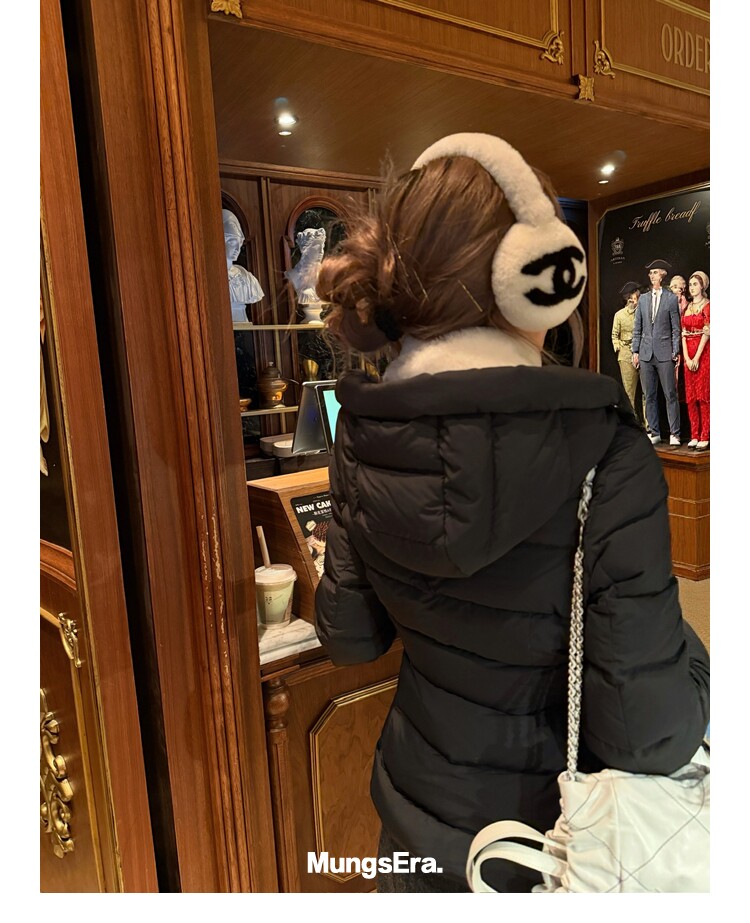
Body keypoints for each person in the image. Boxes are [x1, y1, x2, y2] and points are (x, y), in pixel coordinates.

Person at [313, 133, 710, 893]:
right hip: (549, 851)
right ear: (536, 277)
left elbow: (350, 636)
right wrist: (695, 661)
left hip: (412, 828)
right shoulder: (606, 451)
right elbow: (649, 733)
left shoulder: (359, 434)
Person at [632, 259, 682, 446]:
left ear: (663, 274)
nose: (652, 276)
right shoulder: (643, 299)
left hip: (665, 353)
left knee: (670, 394)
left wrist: (675, 350)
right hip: (646, 354)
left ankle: (675, 433)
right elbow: (637, 328)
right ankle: (654, 432)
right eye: (650, 273)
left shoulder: (671, 298)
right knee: (649, 395)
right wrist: (635, 350)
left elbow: (676, 328)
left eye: (655, 272)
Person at [681, 271, 710, 449]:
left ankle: (705, 434)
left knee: (703, 395)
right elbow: (683, 334)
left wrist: (696, 357)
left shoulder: (708, 306)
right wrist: (686, 357)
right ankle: (694, 434)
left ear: (702, 286)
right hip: (688, 354)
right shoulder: (687, 308)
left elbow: (707, 333)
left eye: (695, 284)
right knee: (691, 397)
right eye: (690, 284)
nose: (692, 288)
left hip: (703, 353)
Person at [611, 281, 646, 426]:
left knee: (646, 391)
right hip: (626, 354)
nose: (633, 298)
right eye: (630, 296)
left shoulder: (643, 313)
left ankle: (649, 423)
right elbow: (614, 335)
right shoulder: (619, 315)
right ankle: (633, 423)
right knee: (629, 390)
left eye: (635, 295)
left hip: (643, 352)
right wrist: (619, 347)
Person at [222, 208, 264, 323]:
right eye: (232, 242)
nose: (237, 248)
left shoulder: (247, 277)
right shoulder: (211, 277)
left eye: (239, 243)